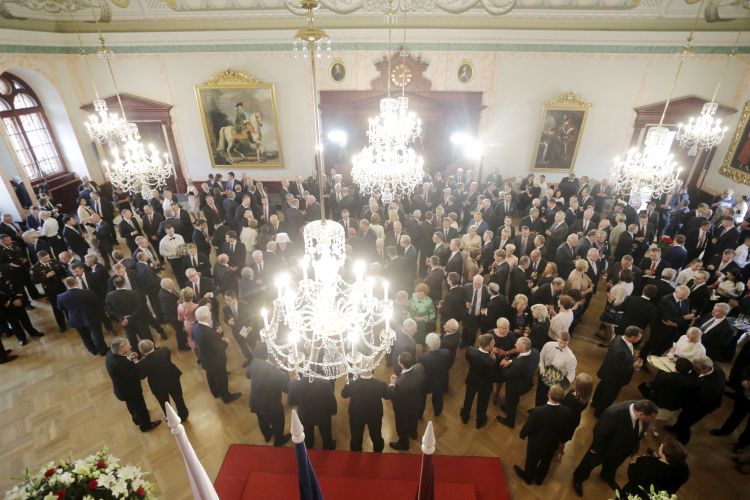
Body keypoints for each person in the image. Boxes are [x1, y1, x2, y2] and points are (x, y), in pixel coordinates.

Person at [573, 399, 658, 496]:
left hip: (622, 452)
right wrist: (596, 449)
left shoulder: (640, 408)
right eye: (651, 419)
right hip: (604, 449)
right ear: (641, 414)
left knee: (612, 467)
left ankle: (606, 476)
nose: (652, 421)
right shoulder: (613, 413)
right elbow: (599, 432)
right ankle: (578, 479)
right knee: (587, 465)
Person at [514, 385, 574, 486]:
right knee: (546, 462)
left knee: (531, 460)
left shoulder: (538, 411)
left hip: (536, 443)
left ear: (548, 394)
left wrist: (522, 435)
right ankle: (539, 479)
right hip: (552, 443)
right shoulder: (567, 412)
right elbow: (565, 429)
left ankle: (528, 477)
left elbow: (529, 426)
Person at [105, 338, 161, 433]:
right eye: (128, 345)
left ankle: (137, 419)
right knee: (141, 407)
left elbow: (123, 365)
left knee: (131, 405)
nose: (130, 346)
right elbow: (136, 374)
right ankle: (146, 426)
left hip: (122, 390)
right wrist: (137, 362)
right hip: (131, 391)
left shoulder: (110, 354)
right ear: (121, 349)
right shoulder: (122, 364)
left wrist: (129, 358)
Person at [667, 356, 726, 444]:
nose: (693, 370)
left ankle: (683, 439)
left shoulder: (713, 386)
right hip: (697, 399)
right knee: (682, 417)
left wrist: (684, 403)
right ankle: (676, 428)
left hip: (703, 406)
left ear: (705, 368)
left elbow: (700, 400)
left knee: (687, 421)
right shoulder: (709, 364)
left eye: (696, 369)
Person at [191, 305, 241, 403]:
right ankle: (226, 397)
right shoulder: (207, 332)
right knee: (221, 379)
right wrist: (225, 342)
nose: (211, 314)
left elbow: (196, 338)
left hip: (205, 359)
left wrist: (216, 337)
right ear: (205, 317)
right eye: (209, 313)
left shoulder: (195, 326)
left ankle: (215, 393)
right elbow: (219, 348)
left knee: (210, 376)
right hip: (215, 361)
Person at [592, 326, 643, 418]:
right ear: (632, 337)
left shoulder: (619, 337)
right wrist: (633, 366)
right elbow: (619, 369)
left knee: (601, 389)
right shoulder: (620, 350)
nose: (640, 339)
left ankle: (595, 403)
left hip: (607, 373)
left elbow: (621, 359)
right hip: (614, 379)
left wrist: (632, 357)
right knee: (608, 397)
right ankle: (599, 413)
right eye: (639, 337)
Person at [246, 347, 291, 447]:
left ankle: (267, 435)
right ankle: (279, 440)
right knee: (278, 422)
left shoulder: (256, 362)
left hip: (255, 401)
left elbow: (247, 374)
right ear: (280, 361)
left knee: (261, 419)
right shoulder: (279, 375)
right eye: (285, 360)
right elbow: (288, 390)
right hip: (271, 406)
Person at [136, 339, 188, 421]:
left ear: (141, 351)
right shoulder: (164, 350)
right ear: (153, 344)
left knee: (164, 403)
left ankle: (170, 418)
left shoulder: (141, 364)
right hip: (172, 378)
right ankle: (183, 414)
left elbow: (142, 376)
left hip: (158, 385)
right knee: (178, 398)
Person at [56, 276, 108, 356]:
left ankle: (93, 350)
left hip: (75, 319)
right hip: (91, 317)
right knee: (97, 334)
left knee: (85, 336)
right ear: (76, 282)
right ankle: (102, 350)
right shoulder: (88, 292)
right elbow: (97, 303)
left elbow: (60, 308)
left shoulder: (60, 296)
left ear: (66, 285)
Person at [341, 369, 390, 452]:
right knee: (376, 436)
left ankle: (356, 455)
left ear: (359, 370)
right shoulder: (381, 384)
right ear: (373, 370)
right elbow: (387, 396)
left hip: (356, 416)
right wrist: (392, 384)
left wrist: (347, 384)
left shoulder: (351, 382)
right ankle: (378, 453)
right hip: (374, 416)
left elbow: (344, 394)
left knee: (356, 437)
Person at [618, 441, 690, 497]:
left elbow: (632, 475)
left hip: (637, 494)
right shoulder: (684, 470)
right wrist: (657, 458)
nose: (662, 444)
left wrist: (633, 463)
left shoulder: (648, 464)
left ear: (665, 455)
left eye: (663, 446)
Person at [497, 336, 540, 428]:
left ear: (523, 348)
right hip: (527, 382)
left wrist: (502, 364)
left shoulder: (518, 365)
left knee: (511, 402)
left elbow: (507, 374)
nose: (515, 344)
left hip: (515, 387)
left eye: (517, 344)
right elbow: (518, 359)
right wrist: (511, 361)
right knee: (513, 401)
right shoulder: (535, 352)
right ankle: (508, 407)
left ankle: (509, 421)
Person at [388, 352, 425, 450]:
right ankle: (413, 433)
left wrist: (392, 384)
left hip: (403, 409)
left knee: (401, 426)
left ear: (401, 364)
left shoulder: (400, 383)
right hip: (416, 402)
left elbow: (394, 397)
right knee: (414, 418)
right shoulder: (420, 367)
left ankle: (404, 444)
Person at [288, 376, 337, 450]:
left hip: (305, 414)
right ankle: (328, 446)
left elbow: (291, 401)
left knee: (307, 435)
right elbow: (331, 400)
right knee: (326, 434)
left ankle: (309, 447)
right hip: (322, 414)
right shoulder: (325, 382)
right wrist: (334, 411)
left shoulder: (294, 382)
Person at [536, 331, 577, 406]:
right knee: (539, 394)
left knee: (550, 401)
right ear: (557, 338)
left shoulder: (571, 357)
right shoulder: (548, 345)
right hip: (543, 374)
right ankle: (537, 409)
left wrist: (563, 386)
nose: (562, 345)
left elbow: (571, 373)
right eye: (561, 342)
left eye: (565, 343)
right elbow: (541, 357)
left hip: (556, 382)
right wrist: (541, 369)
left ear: (568, 341)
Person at [418, 333, 451, 418]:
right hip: (440, 381)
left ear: (428, 345)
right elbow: (448, 366)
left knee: (422, 399)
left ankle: (420, 415)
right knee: (438, 397)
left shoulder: (422, 357)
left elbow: (420, 371)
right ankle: (437, 412)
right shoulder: (446, 352)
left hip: (426, 382)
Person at [560, 374, 594, 450]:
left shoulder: (573, 400)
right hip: (574, 419)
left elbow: (564, 405)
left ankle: (559, 451)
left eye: (576, 381)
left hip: (567, 420)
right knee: (564, 438)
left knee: (562, 437)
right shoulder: (585, 398)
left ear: (579, 387)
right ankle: (561, 449)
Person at [158, 278, 190, 351]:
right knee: (180, 331)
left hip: (178, 314)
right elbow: (166, 310)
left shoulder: (169, 289)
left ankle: (185, 342)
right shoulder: (164, 296)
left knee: (182, 330)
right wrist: (178, 303)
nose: (173, 284)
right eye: (171, 283)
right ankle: (182, 346)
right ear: (166, 286)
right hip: (173, 317)